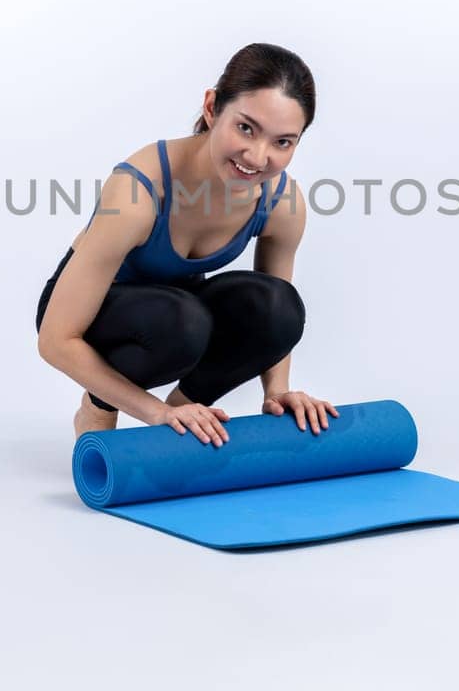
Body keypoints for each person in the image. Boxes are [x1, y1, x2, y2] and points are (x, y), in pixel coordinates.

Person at [35, 42, 339, 445]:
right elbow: (56, 341)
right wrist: (154, 411)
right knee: (182, 323)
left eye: (282, 142)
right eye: (245, 128)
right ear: (212, 108)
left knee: (278, 306)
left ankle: (190, 411)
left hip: (176, 306)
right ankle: (98, 406)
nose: (257, 156)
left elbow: (274, 315)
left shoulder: (282, 203)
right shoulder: (138, 192)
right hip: (89, 316)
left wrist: (278, 392)